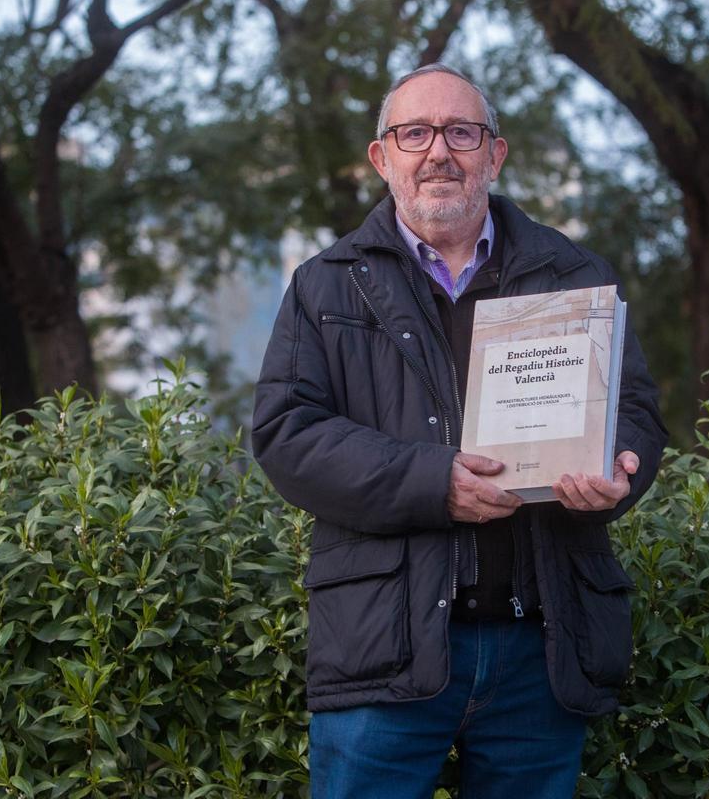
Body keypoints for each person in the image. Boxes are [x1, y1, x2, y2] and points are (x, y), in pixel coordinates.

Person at [252, 63, 667, 798]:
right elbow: (288, 435)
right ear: (383, 158)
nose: (438, 151)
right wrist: (433, 482)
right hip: (382, 649)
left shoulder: (572, 273)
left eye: (461, 132)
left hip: (540, 650)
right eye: (414, 133)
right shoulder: (326, 284)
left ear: (494, 154)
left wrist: (618, 469)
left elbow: (633, 412)